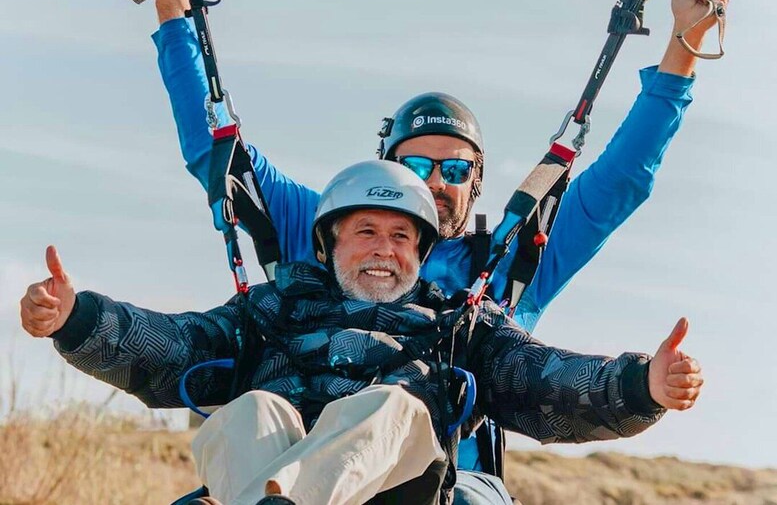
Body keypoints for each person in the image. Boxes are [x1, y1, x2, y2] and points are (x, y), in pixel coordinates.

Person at [131, 0, 727, 501]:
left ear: (478, 180)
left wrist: (684, 47)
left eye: (456, 168)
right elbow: (217, 153)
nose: (437, 180)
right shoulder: (325, 235)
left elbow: (619, 181)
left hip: (445, 483)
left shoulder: (506, 264)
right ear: (382, 172)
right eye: (417, 163)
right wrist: (170, 5)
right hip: (295, 466)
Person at [20, 161, 703, 505]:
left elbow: (542, 378)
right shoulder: (273, 306)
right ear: (330, 243)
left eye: (401, 235)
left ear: (419, 249)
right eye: (365, 231)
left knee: (396, 406)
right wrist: (77, 317)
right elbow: (173, 344)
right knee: (252, 408)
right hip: (266, 457)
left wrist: (640, 383)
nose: (384, 247)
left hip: (399, 493)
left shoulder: (456, 322)